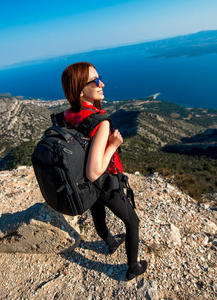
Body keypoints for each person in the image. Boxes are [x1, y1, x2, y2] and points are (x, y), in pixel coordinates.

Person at [61, 62, 147, 281]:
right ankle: (132, 267)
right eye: (95, 81)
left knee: (98, 213)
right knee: (133, 222)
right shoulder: (100, 123)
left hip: (83, 183)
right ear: (81, 90)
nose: (102, 84)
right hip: (103, 181)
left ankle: (110, 242)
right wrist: (113, 146)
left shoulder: (67, 115)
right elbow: (94, 171)